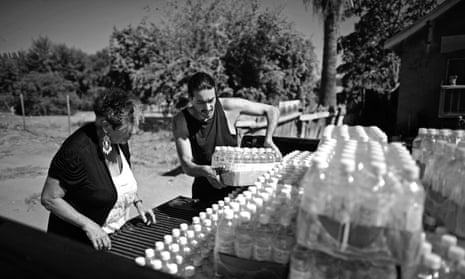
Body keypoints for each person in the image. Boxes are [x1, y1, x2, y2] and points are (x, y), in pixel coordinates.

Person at [41, 88, 156, 251]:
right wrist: (88, 225)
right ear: (106, 125)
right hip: (76, 245)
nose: (135, 131)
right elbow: (49, 198)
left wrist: (137, 202)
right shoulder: (76, 152)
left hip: (113, 238)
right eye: (129, 126)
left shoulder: (119, 142)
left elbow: (118, 182)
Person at [172, 72, 280, 205]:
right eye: (200, 102)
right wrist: (205, 171)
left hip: (236, 189)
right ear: (191, 99)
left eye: (211, 100)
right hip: (205, 190)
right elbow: (186, 165)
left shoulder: (228, 107)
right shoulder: (182, 120)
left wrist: (268, 139)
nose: (207, 108)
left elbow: (272, 111)